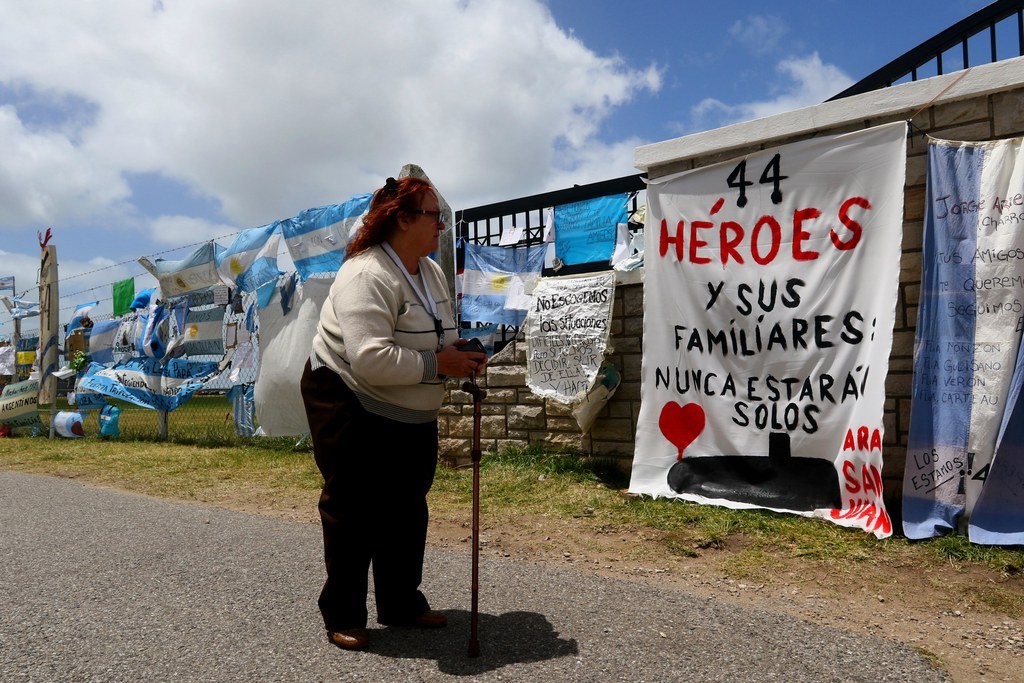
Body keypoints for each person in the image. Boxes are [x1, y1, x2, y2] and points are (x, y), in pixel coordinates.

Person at [300, 175, 487, 651]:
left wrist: (459, 355)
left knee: (407, 504)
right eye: (433, 216)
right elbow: (369, 358)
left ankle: (400, 602)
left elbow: (438, 335)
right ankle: (343, 612)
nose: (441, 226)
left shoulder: (430, 270)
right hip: (347, 395)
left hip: (408, 405)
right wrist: (435, 364)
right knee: (353, 507)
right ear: (402, 220)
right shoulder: (365, 274)